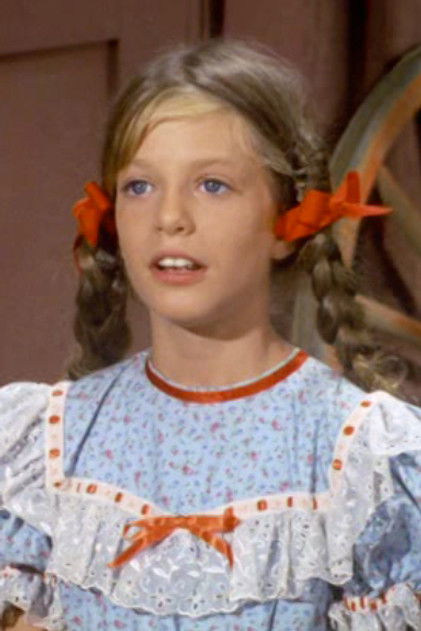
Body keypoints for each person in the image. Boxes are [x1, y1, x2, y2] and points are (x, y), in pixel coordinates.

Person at [0, 39, 420, 631]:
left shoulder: (360, 457)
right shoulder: (44, 446)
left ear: (286, 223)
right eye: (140, 187)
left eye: (212, 185)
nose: (170, 218)